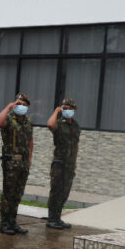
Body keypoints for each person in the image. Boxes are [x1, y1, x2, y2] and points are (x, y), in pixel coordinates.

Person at [0, 92, 33, 235]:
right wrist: (9, 107)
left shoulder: (28, 122)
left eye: (23, 105)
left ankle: (13, 222)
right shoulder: (9, 119)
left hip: (23, 163)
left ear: (28, 107)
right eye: (18, 104)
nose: (20, 106)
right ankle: (4, 223)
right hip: (11, 162)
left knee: (18, 193)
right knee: (8, 193)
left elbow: (30, 141)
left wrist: (29, 159)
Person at [46, 98, 80, 229]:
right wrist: (56, 111)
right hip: (59, 163)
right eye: (64, 108)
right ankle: (51, 219)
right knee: (56, 191)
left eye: (69, 108)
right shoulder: (59, 123)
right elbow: (49, 125)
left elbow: (76, 145)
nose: (66, 110)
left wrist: (75, 161)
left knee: (65, 192)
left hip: (69, 164)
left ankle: (58, 218)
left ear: (74, 110)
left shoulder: (76, 126)